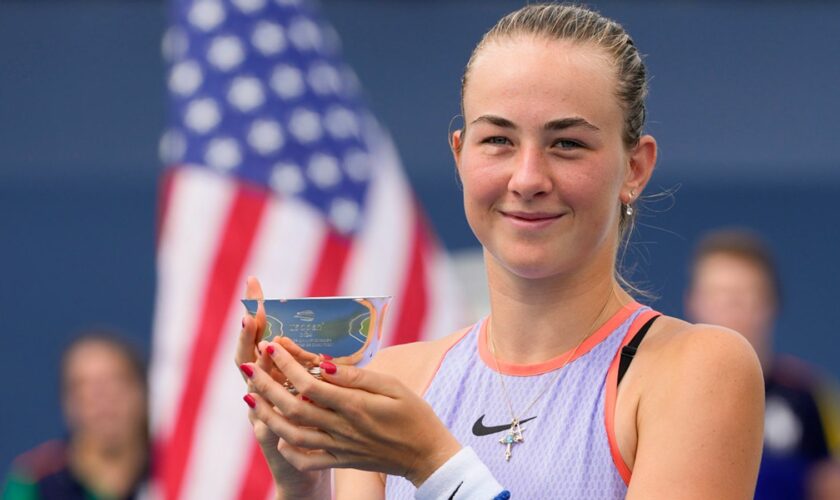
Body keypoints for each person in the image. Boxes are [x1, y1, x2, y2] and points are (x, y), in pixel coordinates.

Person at [235, 4, 764, 499]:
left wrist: (434, 464)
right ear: (460, 155)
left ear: (635, 168)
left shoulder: (697, 369)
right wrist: (300, 485)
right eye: (498, 141)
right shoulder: (398, 381)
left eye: (567, 144)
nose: (528, 177)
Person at [684, 228, 840, 500]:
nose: (730, 310)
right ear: (694, 302)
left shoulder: (808, 395)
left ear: (770, 303)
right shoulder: (664, 392)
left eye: (743, 296)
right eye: (719, 296)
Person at [2, 332, 149, 500]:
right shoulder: (34, 479)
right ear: (67, 402)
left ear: (143, 390)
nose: (102, 398)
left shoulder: (177, 471)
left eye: (116, 381)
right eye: (83, 386)